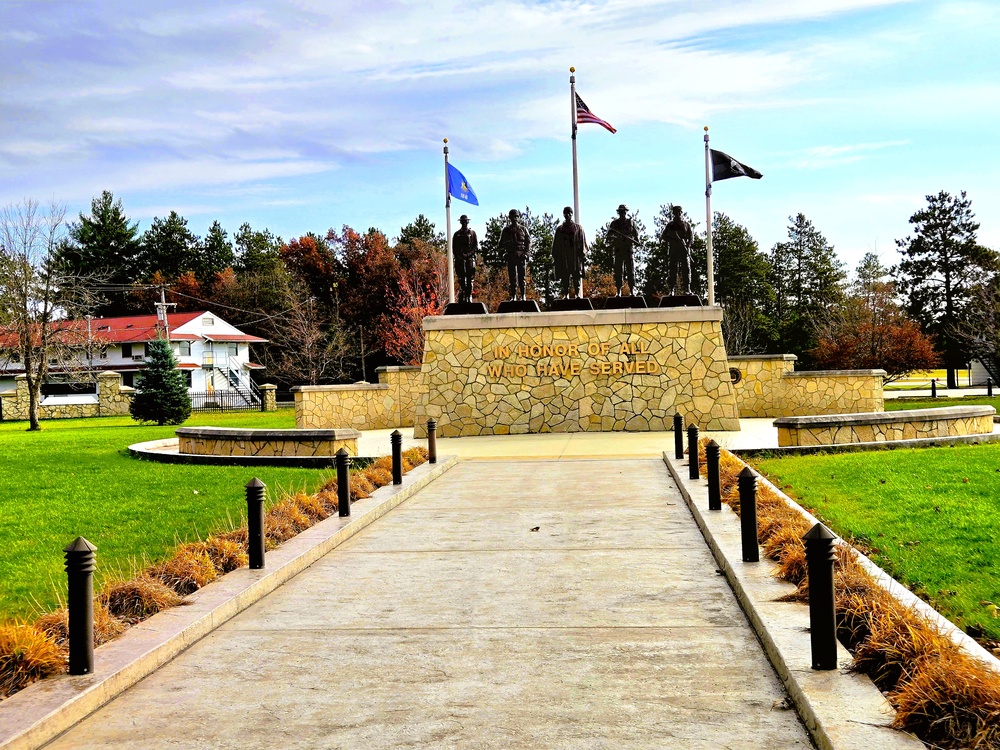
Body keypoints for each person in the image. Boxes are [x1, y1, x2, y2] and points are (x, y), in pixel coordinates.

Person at [552, 206, 587, 298]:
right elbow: (556, 243)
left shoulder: (578, 228)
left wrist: (583, 254)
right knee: (565, 276)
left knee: (576, 276)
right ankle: (566, 294)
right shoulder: (560, 229)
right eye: (565, 213)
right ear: (563, 214)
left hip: (575, 256)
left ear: (572, 214)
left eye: (569, 213)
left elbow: (582, 242)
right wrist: (555, 256)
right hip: (564, 256)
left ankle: (577, 294)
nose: (567, 215)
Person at [662, 205, 693, 296]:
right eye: (676, 212)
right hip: (674, 250)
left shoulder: (686, 225)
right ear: (674, 213)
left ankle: (688, 289)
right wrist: (673, 240)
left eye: (679, 212)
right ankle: (671, 289)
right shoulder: (670, 225)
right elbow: (664, 236)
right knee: (672, 270)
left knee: (686, 269)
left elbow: (691, 238)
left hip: (684, 250)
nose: (678, 214)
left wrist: (687, 245)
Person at [500, 209, 530, 300]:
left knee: (522, 277)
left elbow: (528, 243)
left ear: (518, 218)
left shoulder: (523, 229)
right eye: (513, 216)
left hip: (521, 255)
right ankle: (513, 296)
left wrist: (526, 253)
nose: (515, 218)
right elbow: (500, 244)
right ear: (510, 218)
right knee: (512, 277)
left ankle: (523, 295)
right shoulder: (506, 230)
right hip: (511, 255)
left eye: (516, 216)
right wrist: (504, 254)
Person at [608, 204, 638, 296]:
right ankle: (618, 291)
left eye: (624, 211)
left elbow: (636, 235)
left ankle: (632, 290)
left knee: (630, 271)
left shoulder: (631, 223)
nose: (622, 213)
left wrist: (636, 241)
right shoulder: (614, 224)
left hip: (628, 249)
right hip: (618, 249)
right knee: (618, 271)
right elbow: (609, 236)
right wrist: (616, 238)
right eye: (620, 212)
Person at [452, 214, 478, 303]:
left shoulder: (472, 233)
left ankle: (469, 296)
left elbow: (475, 247)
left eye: (465, 221)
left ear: (468, 222)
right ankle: (463, 295)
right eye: (462, 221)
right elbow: (454, 248)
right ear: (460, 222)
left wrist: (468, 255)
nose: (464, 223)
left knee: (470, 279)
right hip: (460, 259)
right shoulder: (457, 234)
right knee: (462, 279)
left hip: (470, 259)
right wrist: (459, 256)